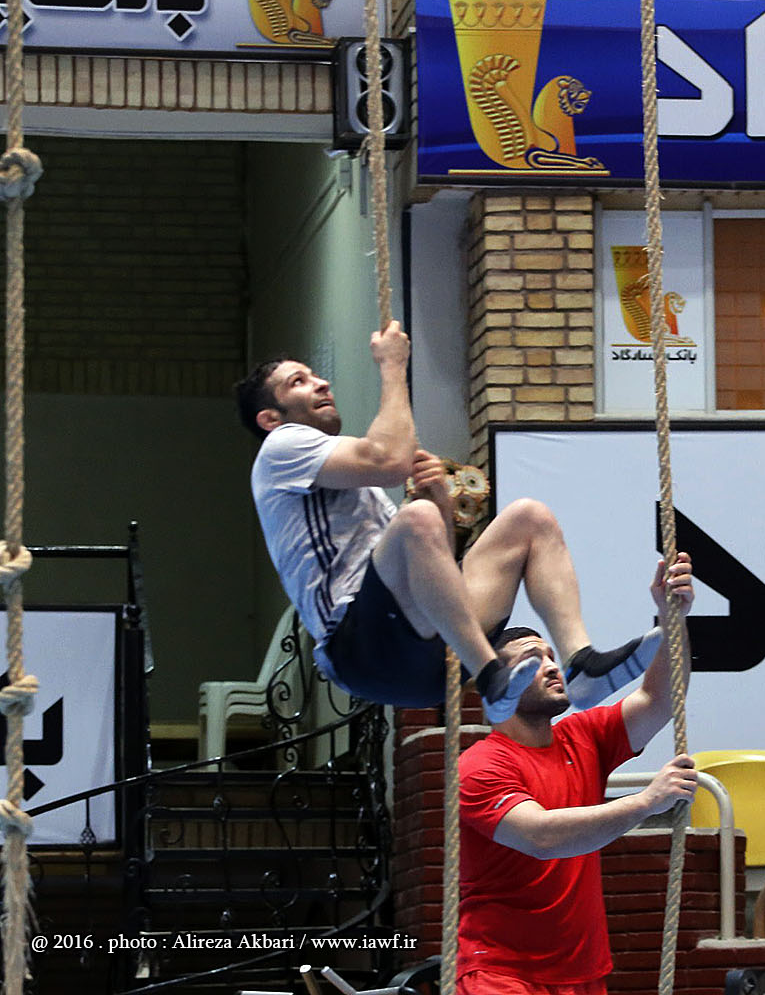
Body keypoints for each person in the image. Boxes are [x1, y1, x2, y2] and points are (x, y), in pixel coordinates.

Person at [234, 320, 660, 723]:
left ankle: (580, 663)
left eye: (314, 375)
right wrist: (393, 366)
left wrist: (438, 501)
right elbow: (389, 460)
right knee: (416, 518)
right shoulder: (280, 448)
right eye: (298, 381)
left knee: (529, 517)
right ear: (271, 418)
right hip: (363, 654)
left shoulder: (355, 489)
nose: (322, 383)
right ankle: (491, 677)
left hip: (431, 657)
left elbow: (432, 571)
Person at [457, 553, 696, 995]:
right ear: (499, 686)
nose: (552, 666)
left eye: (552, 655)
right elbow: (541, 837)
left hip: (584, 974)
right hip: (502, 977)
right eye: (532, 660)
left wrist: (672, 617)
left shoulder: (583, 736)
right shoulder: (479, 766)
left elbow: (661, 700)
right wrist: (646, 802)